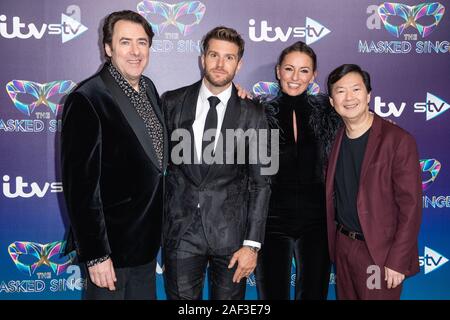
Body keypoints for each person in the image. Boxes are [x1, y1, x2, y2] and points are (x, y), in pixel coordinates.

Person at [61, 10, 167, 299]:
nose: (135, 51)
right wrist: (96, 255)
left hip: (145, 247)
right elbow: (80, 188)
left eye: (142, 42)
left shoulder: (148, 88)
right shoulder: (87, 99)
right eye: (125, 42)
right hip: (111, 253)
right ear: (108, 48)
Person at [161, 26, 271, 300]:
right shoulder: (172, 101)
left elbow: (262, 181)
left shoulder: (255, 112)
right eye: (214, 55)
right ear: (203, 58)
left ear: (239, 63)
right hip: (181, 232)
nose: (221, 64)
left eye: (229, 57)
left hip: (232, 238)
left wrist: (252, 245)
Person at [325, 64, 422, 299]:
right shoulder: (336, 138)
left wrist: (397, 261)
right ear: (331, 101)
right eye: (340, 91)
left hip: (379, 252)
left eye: (356, 89)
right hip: (343, 245)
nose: (349, 98)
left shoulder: (397, 140)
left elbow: (411, 206)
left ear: (368, 95)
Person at [255, 41, 341, 300]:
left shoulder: (329, 110)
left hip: (318, 221)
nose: (295, 77)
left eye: (304, 71)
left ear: (314, 75)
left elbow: (360, 119)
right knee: (271, 295)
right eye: (289, 69)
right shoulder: (258, 111)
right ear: (278, 71)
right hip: (270, 220)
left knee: (314, 294)